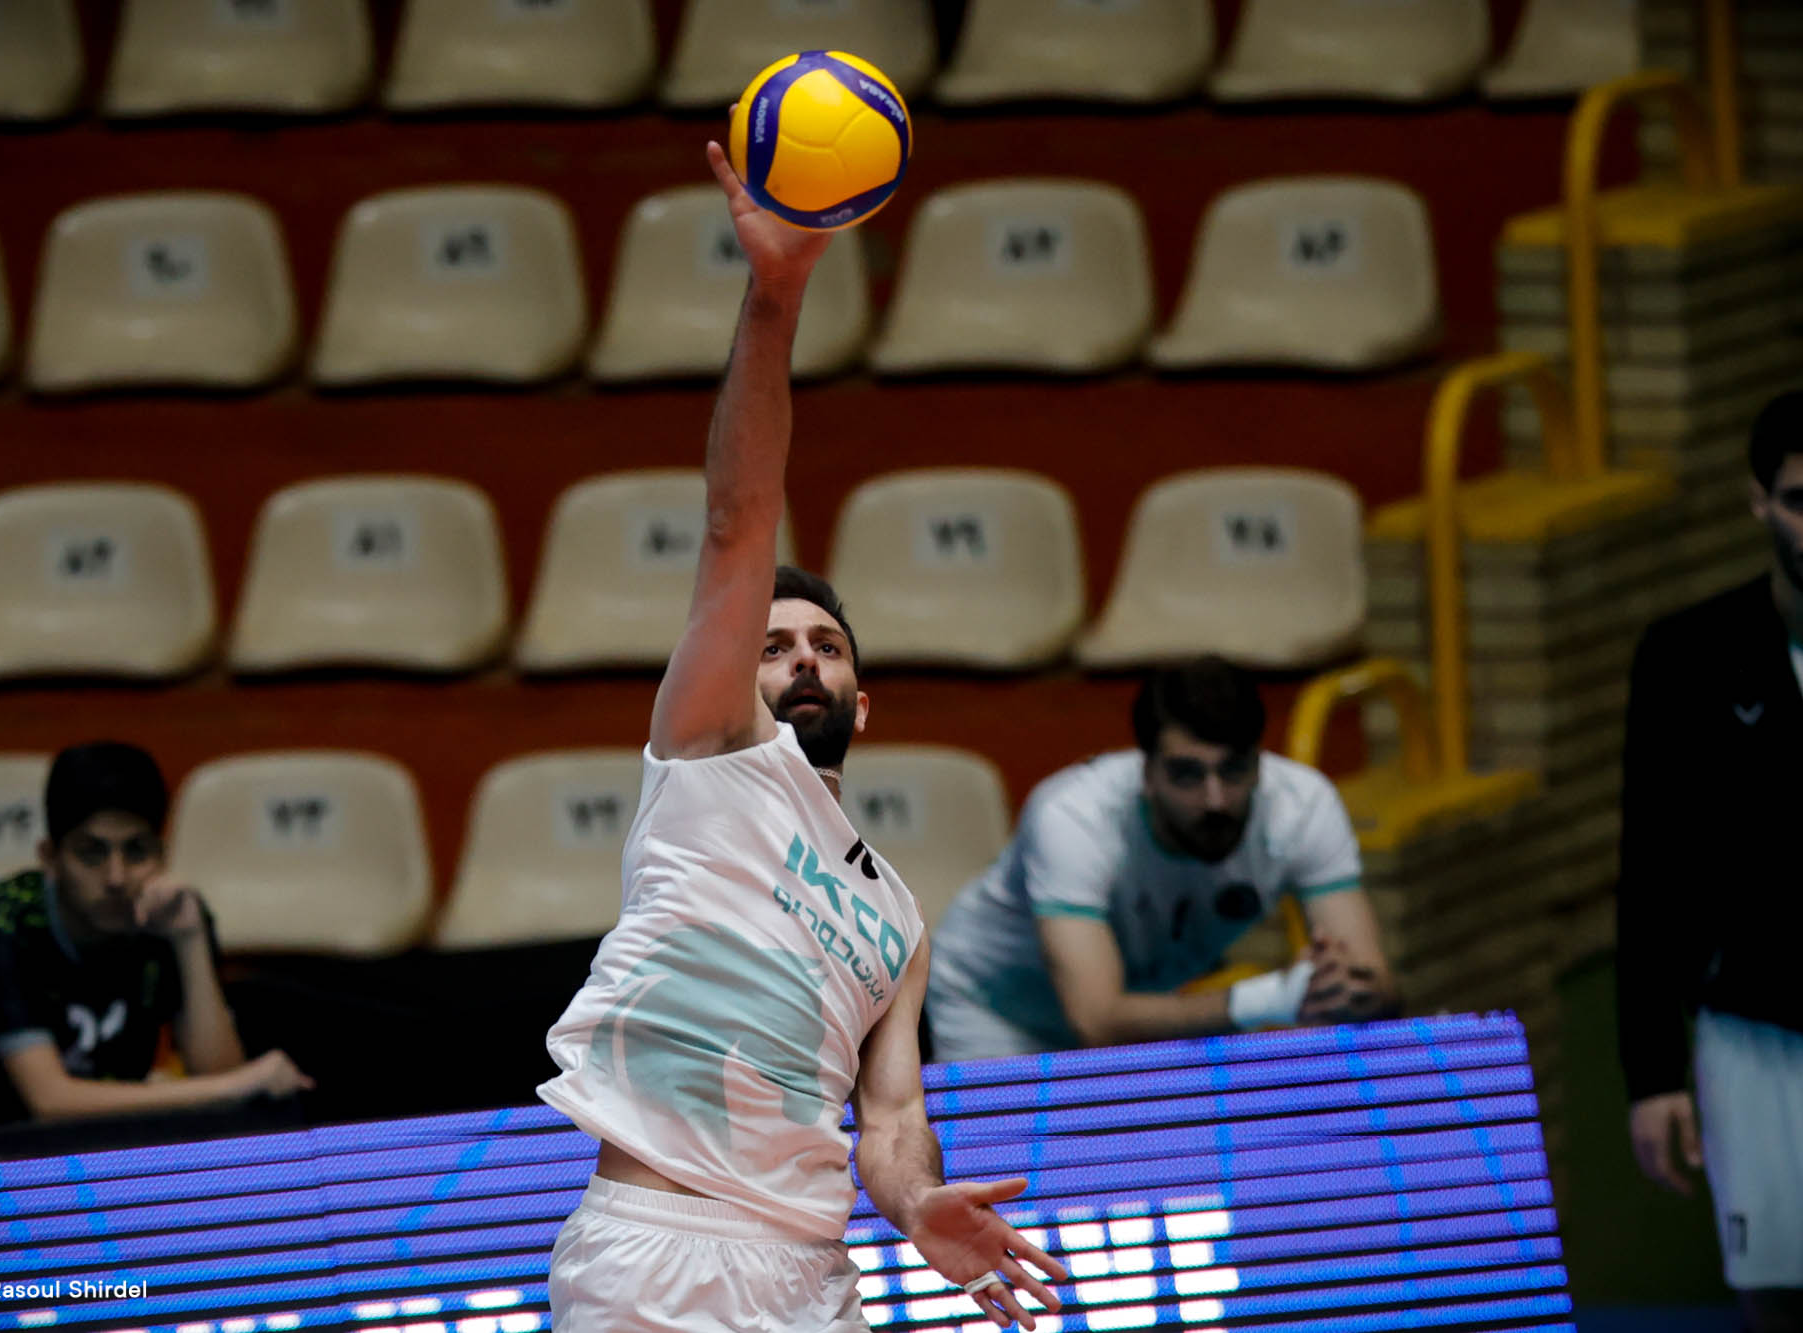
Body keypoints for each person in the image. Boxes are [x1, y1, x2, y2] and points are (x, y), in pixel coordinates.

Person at [535, 143, 1069, 1333]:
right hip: (657, 1254)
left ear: (861, 702)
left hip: (811, 1274)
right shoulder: (709, 756)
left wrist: (916, 1200)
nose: (802, 659)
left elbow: (889, 1117)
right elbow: (738, 518)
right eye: (772, 644)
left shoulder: (897, 918)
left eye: (826, 645)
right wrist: (775, 296)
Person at [1618, 383, 1803, 1333]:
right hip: (1753, 1039)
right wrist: (1652, 1071)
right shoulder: (1686, 657)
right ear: (1759, 501)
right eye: (1802, 501)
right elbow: (1650, 872)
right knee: (1779, 1309)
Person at [927, 656, 1398, 1063]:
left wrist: (1348, 989)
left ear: (1260, 762)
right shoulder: (1074, 818)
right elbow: (1098, 1023)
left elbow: (1379, 987)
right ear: (1147, 773)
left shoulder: (1304, 808)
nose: (1215, 799)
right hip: (991, 1009)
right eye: (1187, 774)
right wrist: (1270, 998)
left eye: (1233, 770)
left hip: (1126, 1009)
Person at [0, 741, 311, 1135]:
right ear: (50, 858)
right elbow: (51, 1101)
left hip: (65, 1148)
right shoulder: (3, 921)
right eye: (91, 853)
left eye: (136, 851)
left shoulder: (173, 917)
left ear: (163, 854)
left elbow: (218, 1079)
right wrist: (239, 1084)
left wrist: (190, 940)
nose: (117, 877)